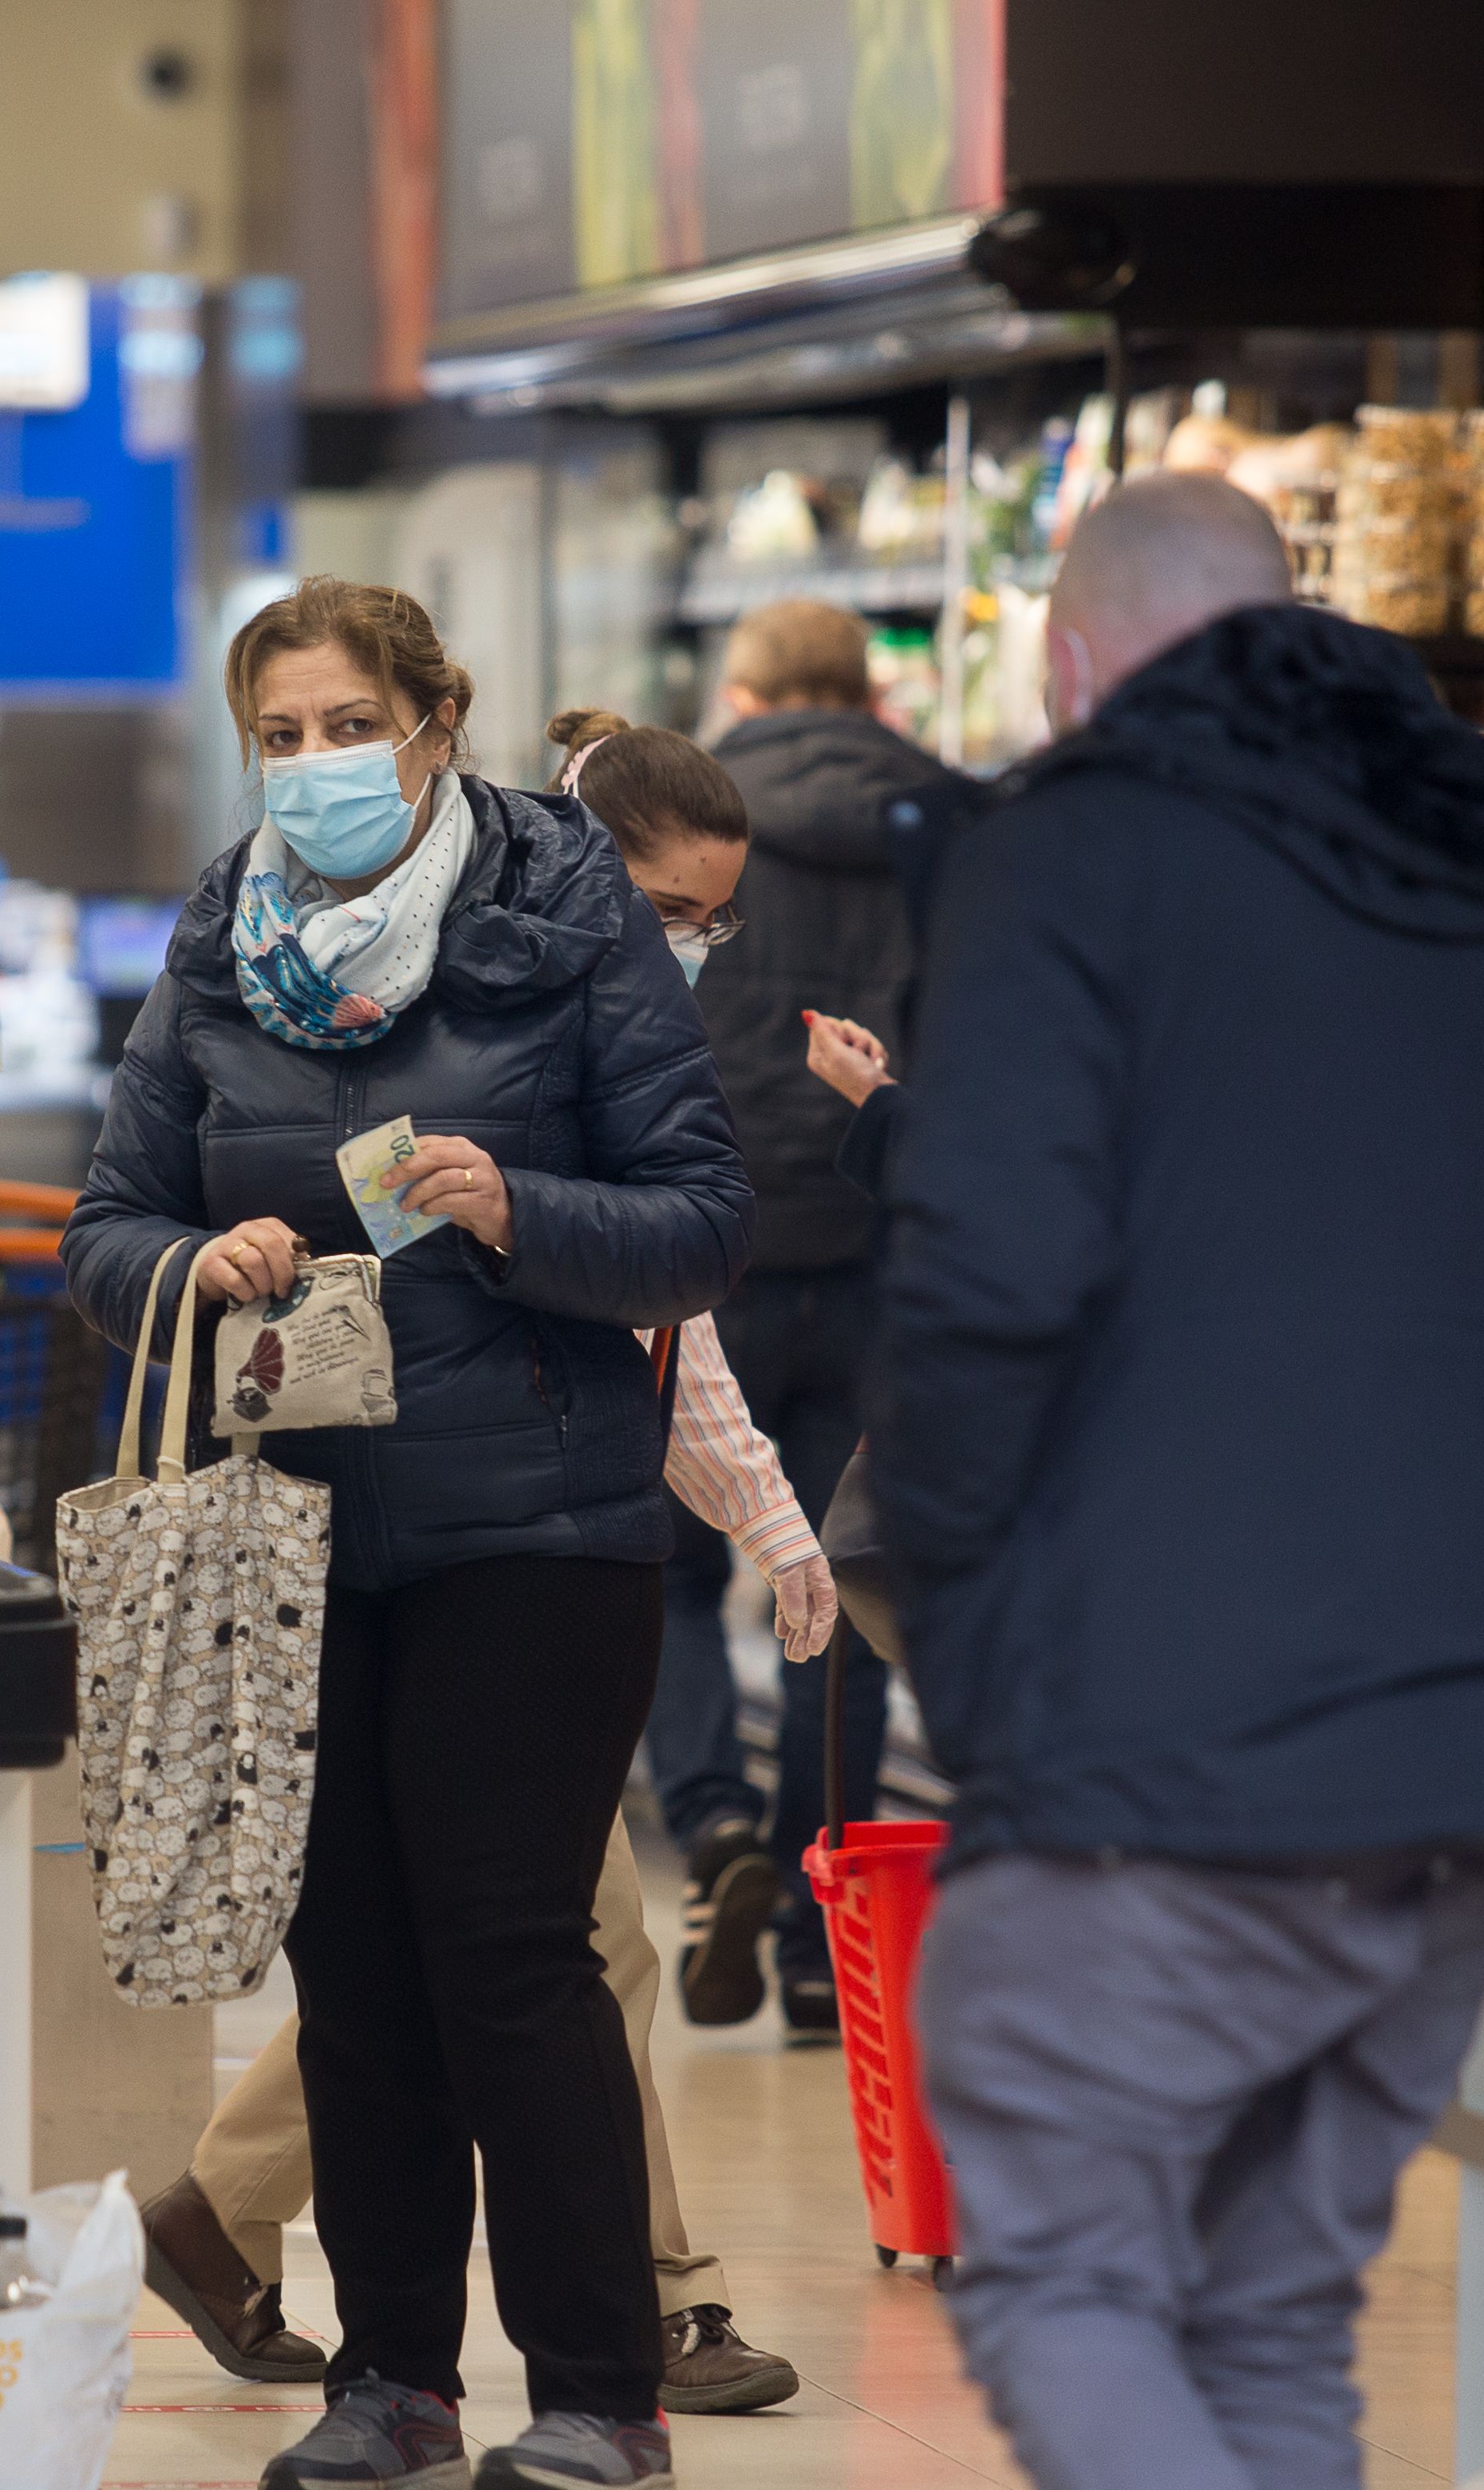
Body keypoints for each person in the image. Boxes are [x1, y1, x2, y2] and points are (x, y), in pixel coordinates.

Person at [875, 472, 1484, 2490]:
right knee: (1268, 2320)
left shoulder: (1059, 854)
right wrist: (1445, 1599)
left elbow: (982, 1288)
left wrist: (968, 1655)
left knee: (1062, 2276)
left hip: (1150, 1775)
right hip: (1459, 1794)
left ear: (1069, 667)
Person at [62, 578, 750, 2490]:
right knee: (349, 1968)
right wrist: (197, 1263)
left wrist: (521, 1206)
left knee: (510, 1953)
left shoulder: (567, 910)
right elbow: (109, 1220)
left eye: (346, 723)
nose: (313, 766)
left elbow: (702, 1217)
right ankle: (391, 2382)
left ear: (439, 720)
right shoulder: (221, 934)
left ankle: (606, 2395)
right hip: (298, 1533)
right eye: (277, 734)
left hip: (536, 1519)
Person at [658, 599, 965, 2038]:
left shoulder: (679, 820)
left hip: (697, 1247)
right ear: (867, 693)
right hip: (868, 1249)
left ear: (743, 690)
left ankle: (709, 1817)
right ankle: (806, 1925)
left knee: (666, 1563)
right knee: (832, 1580)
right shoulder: (953, 827)